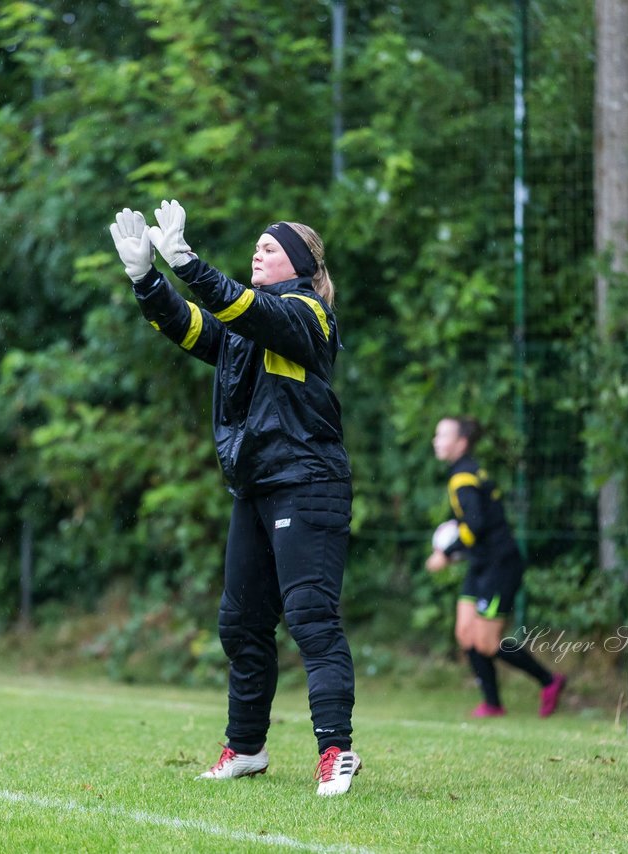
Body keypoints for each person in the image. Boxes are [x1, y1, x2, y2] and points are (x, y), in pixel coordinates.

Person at [109, 199, 361, 796]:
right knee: (241, 624)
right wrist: (146, 278)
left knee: (310, 619)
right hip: (256, 488)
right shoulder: (248, 325)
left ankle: (336, 752)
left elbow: (240, 307)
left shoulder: (307, 314)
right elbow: (192, 326)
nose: (257, 252)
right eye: (256, 245)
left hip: (308, 484)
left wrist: (188, 262)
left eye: (270, 247)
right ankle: (246, 748)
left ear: (297, 264)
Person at [427, 416, 567, 718]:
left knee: (486, 642)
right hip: (480, 563)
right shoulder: (464, 473)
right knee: (465, 633)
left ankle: (549, 681)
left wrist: (446, 552)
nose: (435, 441)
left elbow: (475, 524)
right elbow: (476, 522)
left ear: (461, 443)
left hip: (500, 566)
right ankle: (492, 704)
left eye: (442, 435)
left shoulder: (463, 478)